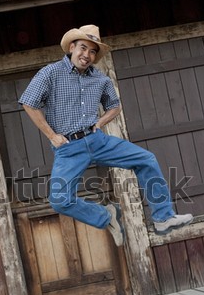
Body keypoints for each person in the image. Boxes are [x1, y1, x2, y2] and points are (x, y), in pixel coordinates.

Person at [19, 24, 193, 246]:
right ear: (72, 47)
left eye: (93, 51)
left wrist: (100, 123)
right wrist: (51, 135)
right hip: (69, 148)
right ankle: (106, 215)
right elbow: (28, 102)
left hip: (98, 141)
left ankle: (163, 217)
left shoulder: (100, 80)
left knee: (146, 159)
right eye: (83, 48)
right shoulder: (51, 73)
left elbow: (115, 106)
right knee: (60, 201)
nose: (87, 55)